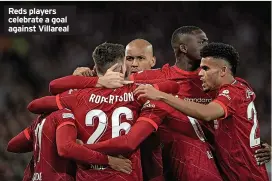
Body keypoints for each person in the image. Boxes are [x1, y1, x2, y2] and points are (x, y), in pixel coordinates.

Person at [28, 42, 180, 181]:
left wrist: (92, 82)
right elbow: (173, 86)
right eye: (128, 60)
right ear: (121, 67)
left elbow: (35, 104)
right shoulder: (137, 92)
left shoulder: (77, 95)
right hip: (127, 175)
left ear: (95, 67)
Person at [134, 42, 269, 181]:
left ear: (223, 71)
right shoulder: (240, 85)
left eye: (205, 68)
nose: (200, 73)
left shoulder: (232, 93)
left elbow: (207, 113)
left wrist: (161, 95)